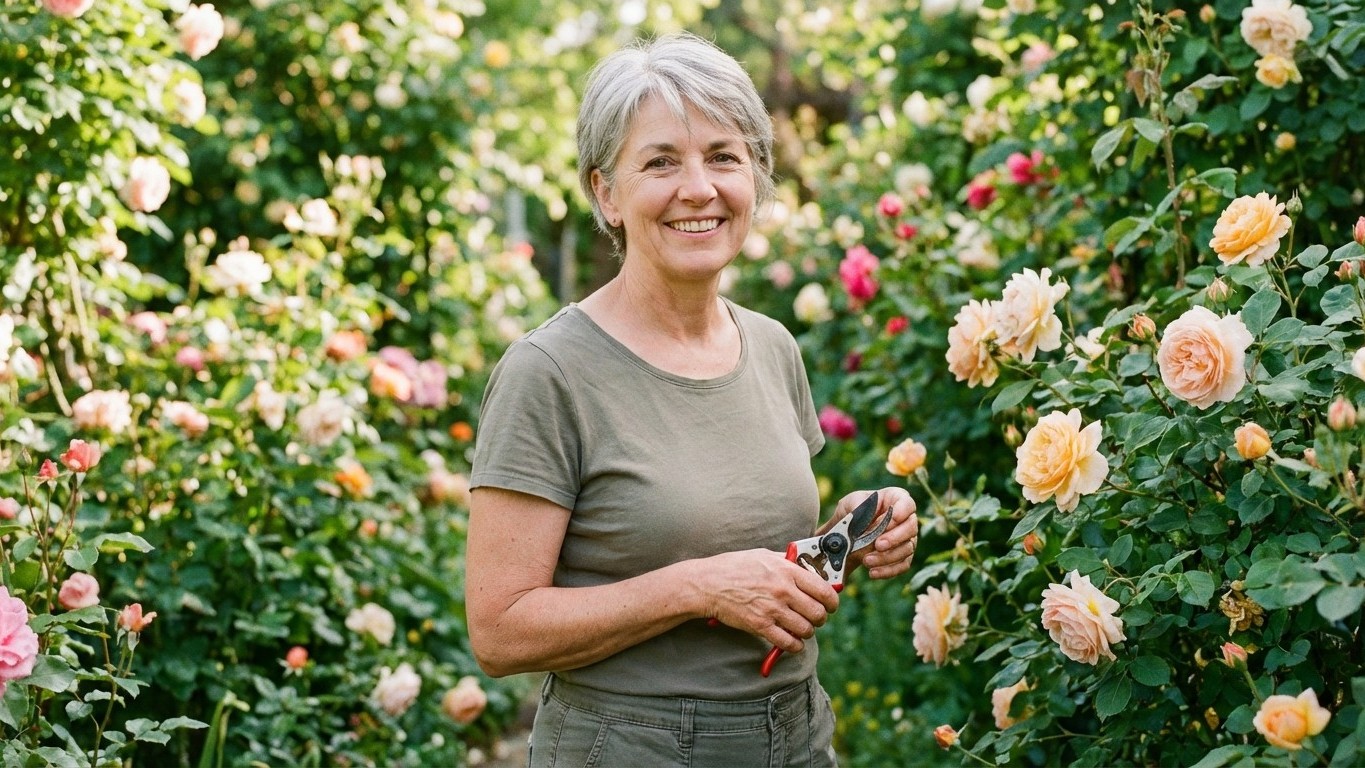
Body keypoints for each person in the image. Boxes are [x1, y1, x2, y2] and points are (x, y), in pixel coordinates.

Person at [466, 32, 919, 767]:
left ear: (755, 177)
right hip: (629, 746)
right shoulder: (548, 371)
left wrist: (853, 531)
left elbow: (751, 537)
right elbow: (500, 631)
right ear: (605, 193)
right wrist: (695, 588)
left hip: (795, 735)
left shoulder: (771, 347)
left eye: (722, 156)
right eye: (660, 162)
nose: (698, 188)